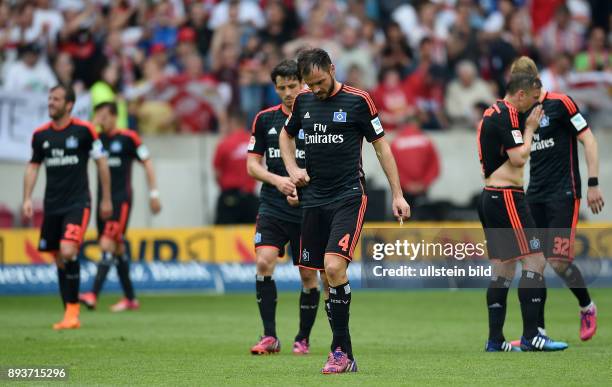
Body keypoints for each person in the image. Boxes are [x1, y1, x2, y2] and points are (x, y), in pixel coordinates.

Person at [279, 48, 410, 373]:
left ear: (332, 69)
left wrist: (397, 194)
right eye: (310, 84)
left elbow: (381, 146)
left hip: (348, 195)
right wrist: (292, 169)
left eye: (320, 81)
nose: (316, 89)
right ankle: (344, 353)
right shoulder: (304, 102)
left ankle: (340, 351)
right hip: (313, 200)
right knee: (325, 277)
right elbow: (286, 136)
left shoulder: (358, 101)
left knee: (334, 267)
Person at [509, 56, 603, 341]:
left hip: (564, 193)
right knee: (533, 262)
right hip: (534, 194)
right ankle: (537, 333)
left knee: (558, 261)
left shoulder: (562, 104)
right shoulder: (520, 112)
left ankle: (587, 306)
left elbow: (589, 139)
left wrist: (594, 184)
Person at [477, 72, 568, 352]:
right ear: (520, 94)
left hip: (491, 197)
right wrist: (530, 128)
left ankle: (495, 340)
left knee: (503, 268)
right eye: (532, 99)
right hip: (506, 197)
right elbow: (518, 157)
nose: (534, 106)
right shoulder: (509, 115)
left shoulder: (491, 113)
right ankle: (532, 335)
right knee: (536, 260)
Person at [247, 59, 327, 355]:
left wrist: (301, 187)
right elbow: (252, 165)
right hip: (273, 204)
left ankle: (302, 338)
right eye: (281, 88)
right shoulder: (265, 119)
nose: (287, 92)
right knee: (264, 262)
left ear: (303, 84)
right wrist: (278, 181)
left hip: (309, 206)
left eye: (292, 86)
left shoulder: (316, 115)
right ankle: (269, 336)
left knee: (309, 275)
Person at [22, 85, 112, 330]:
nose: (51, 102)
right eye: (49, 98)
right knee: (59, 258)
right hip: (52, 205)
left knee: (68, 250)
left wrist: (106, 199)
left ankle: (72, 313)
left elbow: (102, 163)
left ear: (69, 104)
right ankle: (68, 313)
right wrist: (28, 198)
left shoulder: (84, 131)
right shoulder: (41, 135)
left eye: (56, 99)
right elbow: (33, 166)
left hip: (78, 202)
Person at [79, 102, 162, 312]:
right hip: (101, 202)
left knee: (107, 244)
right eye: (98, 116)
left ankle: (92, 294)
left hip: (121, 201)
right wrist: (93, 124)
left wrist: (154, 195)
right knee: (118, 248)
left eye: (105, 116)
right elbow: (78, 138)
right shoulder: (96, 140)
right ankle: (130, 298)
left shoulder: (129, 138)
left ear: (115, 117)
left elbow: (148, 163)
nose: (101, 120)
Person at [213, 110, 258, 224]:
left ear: (231, 122)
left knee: (223, 237)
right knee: (253, 236)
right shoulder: (254, 142)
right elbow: (258, 168)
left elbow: (217, 173)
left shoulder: (224, 144)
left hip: (229, 198)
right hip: (250, 198)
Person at [390, 124, 440, 216]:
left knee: (402, 219)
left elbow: (391, 167)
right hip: (421, 189)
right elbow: (434, 166)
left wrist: (406, 184)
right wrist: (424, 183)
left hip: (402, 190)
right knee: (423, 218)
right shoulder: (426, 140)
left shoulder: (395, 142)